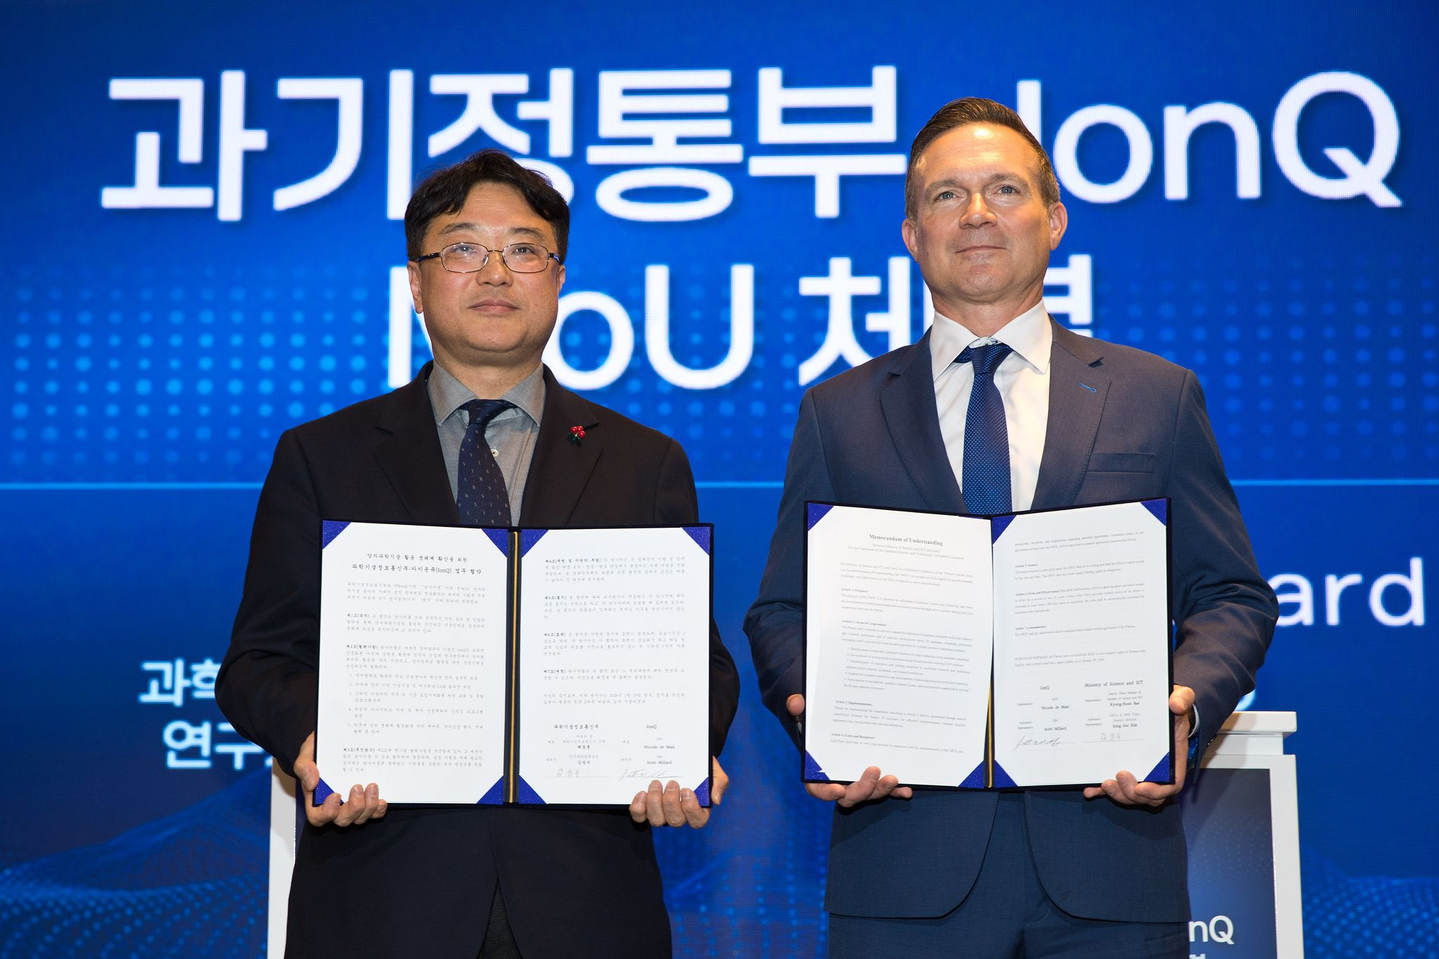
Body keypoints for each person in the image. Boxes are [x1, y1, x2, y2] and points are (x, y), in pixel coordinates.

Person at [743, 98, 1277, 957]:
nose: (978, 214)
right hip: (904, 865)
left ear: (1053, 219)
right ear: (913, 234)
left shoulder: (1156, 395)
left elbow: (1231, 595)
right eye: (947, 196)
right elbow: (779, 611)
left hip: (1110, 862)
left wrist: (1184, 705)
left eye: (1003, 189)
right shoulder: (837, 412)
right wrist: (820, 713)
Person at [217, 149, 740, 959]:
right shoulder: (324, 455)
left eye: (524, 249)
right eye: (462, 248)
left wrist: (679, 749)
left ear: (559, 277)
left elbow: (697, 665)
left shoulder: (645, 461)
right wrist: (315, 739)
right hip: (379, 896)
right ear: (417, 283)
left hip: (585, 903)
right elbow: (258, 660)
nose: (495, 270)